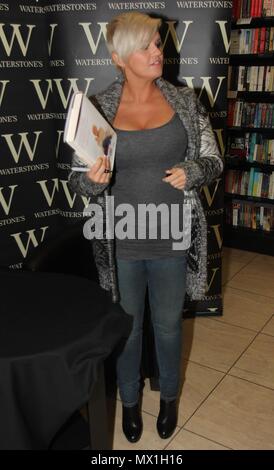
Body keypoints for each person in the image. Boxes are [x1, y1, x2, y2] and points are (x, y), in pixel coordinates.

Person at [69, 12, 223, 443]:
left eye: (158, 43)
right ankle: (131, 404)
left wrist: (192, 171)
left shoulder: (185, 102)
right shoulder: (98, 108)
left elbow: (213, 160)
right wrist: (90, 180)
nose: (158, 52)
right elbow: (76, 178)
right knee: (129, 328)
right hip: (120, 242)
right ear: (119, 58)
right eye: (147, 46)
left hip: (172, 237)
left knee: (170, 326)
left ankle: (170, 398)